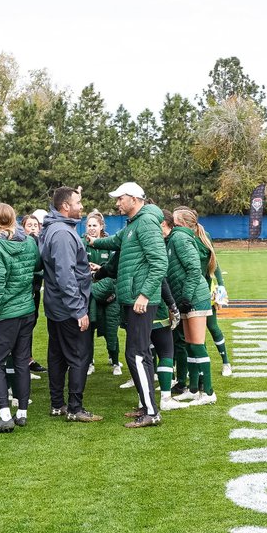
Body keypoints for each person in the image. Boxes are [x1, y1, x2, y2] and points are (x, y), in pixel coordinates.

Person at [88, 181, 168, 428]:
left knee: (138, 354)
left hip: (140, 301)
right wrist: (92, 242)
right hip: (132, 299)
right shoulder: (134, 224)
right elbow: (114, 242)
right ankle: (146, 405)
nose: (117, 203)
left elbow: (159, 262)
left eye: (120, 198)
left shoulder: (145, 223)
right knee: (134, 353)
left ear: (134, 199)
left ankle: (152, 412)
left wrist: (144, 295)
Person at [0, 203, 41, 433]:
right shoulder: (29, 242)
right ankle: (22, 412)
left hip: (5, 314)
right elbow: (36, 268)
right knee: (22, 361)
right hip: (26, 309)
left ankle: (5, 414)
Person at [39, 187, 100, 423]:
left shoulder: (53, 228)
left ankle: (57, 405)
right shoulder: (63, 233)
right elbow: (66, 274)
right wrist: (78, 309)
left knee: (56, 356)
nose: (81, 206)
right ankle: (75, 408)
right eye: (78, 202)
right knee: (78, 356)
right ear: (66, 207)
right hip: (66, 307)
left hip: (56, 305)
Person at [164, 208, 217, 405]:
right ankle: (193, 389)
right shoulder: (176, 238)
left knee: (197, 345)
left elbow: (194, 269)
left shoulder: (181, 238)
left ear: (181, 222)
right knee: (189, 345)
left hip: (195, 297)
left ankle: (209, 392)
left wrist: (186, 297)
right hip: (188, 297)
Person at [176, 207, 232, 377]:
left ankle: (226, 362)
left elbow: (214, 263)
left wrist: (221, 289)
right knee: (189, 335)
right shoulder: (178, 237)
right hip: (187, 290)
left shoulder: (203, 235)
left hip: (204, 290)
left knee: (212, 326)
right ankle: (193, 371)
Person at [83, 209, 121, 377]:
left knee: (111, 329)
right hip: (90, 293)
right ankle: (89, 362)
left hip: (110, 293)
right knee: (88, 328)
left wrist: (101, 270)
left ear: (101, 227)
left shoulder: (110, 244)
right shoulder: (81, 244)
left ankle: (115, 361)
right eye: (89, 225)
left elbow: (116, 269)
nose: (91, 228)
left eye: (94, 225)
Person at [22, 212, 46, 376]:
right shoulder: (21, 243)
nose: (32, 228)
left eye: (35, 225)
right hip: (24, 291)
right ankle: (23, 361)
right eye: (29, 225)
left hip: (35, 291)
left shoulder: (40, 243)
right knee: (22, 327)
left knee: (30, 325)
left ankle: (28, 358)